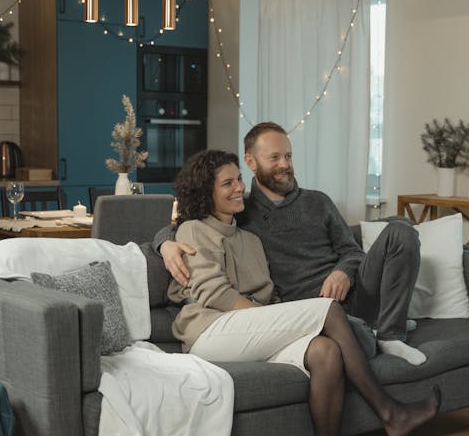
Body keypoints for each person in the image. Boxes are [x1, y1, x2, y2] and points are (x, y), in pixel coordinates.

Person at [169, 150, 440, 436]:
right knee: (326, 310)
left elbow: (271, 297)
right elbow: (217, 294)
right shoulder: (192, 230)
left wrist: (275, 320)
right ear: (204, 192)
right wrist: (273, 320)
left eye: (239, 179)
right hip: (209, 330)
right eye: (228, 183)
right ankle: (391, 413)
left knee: (325, 352)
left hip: (249, 331)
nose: (240, 187)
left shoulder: (250, 239)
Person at [159, 122, 427, 366]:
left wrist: (343, 271)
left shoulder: (318, 201)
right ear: (251, 162)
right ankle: (370, 331)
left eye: (288, 156)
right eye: (274, 157)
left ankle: (390, 334)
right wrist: (164, 244)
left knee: (401, 230)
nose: (284, 164)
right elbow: (194, 226)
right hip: (308, 312)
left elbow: (352, 250)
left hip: (355, 294)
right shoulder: (241, 209)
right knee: (354, 337)